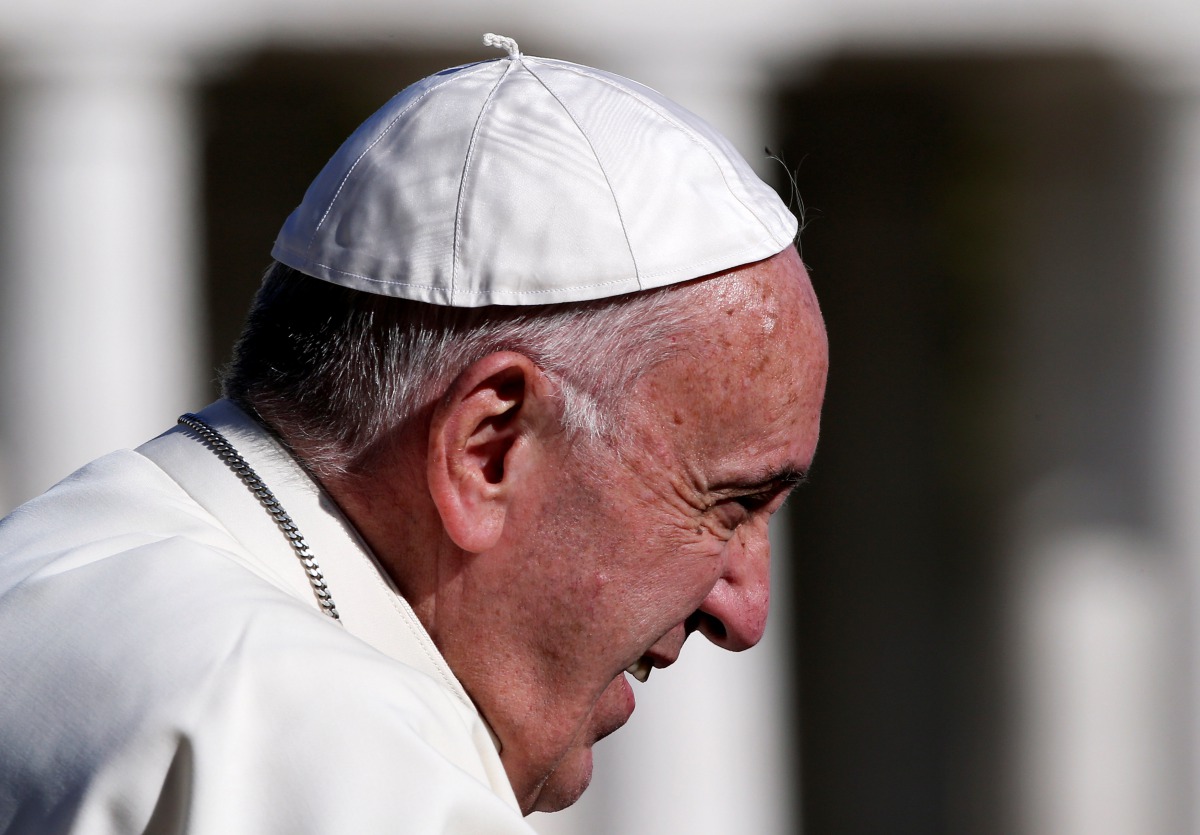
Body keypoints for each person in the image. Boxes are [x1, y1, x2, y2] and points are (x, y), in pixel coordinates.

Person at [0, 33, 828, 833]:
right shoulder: (346, 763)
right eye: (730, 503)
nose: (745, 612)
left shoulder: (44, 558)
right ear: (490, 447)